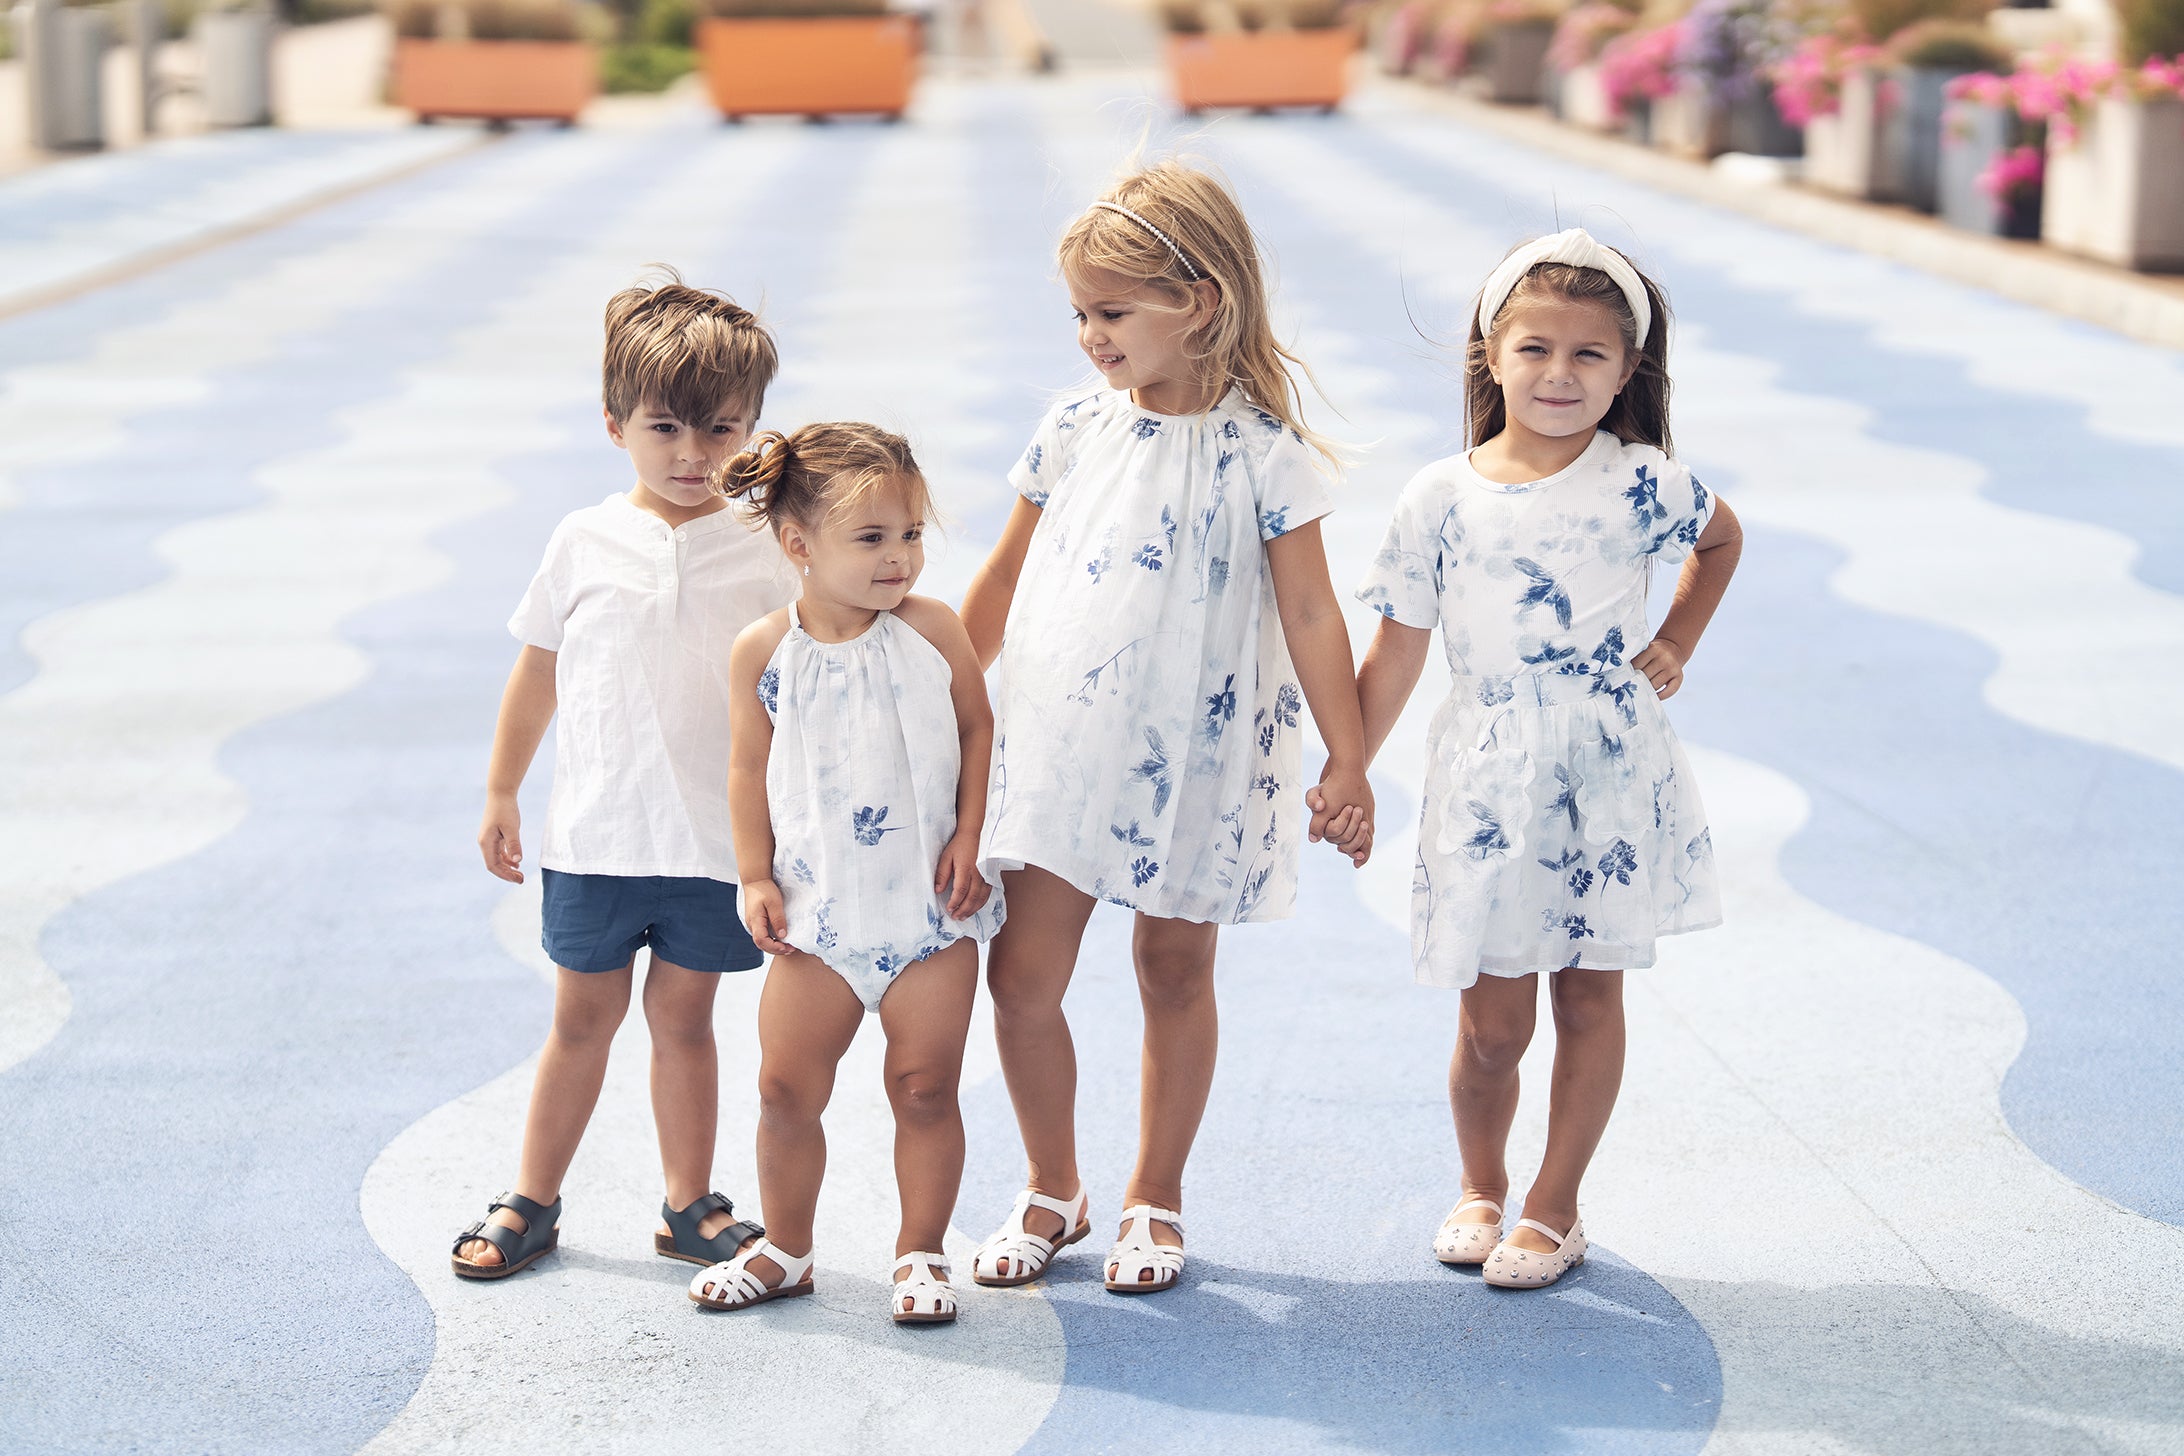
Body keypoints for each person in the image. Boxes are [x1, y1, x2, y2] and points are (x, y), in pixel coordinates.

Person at [960, 159, 1373, 1298]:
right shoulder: (1072, 429)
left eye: (1112, 312)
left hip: (1202, 753)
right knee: (1022, 974)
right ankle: (1053, 1184)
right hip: (1060, 742)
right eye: (1081, 313)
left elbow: (1310, 613)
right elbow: (998, 580)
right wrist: (939, 694)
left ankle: (1156, 1192)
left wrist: (1350, 757)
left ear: (1194, 302)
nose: (1090, 336)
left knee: (1174, 966)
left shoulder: (1266, 453)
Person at [1353, 230, 1743, 1289]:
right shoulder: (1439, 495)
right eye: (1536, 349)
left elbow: (1719, 540)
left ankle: (1553, 1204)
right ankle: (1479, 1184)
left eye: (1589, 356)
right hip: (1486, 778)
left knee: (1587, 1000)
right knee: (1490, 1022)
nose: (1560, 375)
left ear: (1628, 373)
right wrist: (1348, 768)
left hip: (1606, 773)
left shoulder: (1642, 480)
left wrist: (1675, 640)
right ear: (1492, 355)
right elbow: (1396, 647)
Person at [451, 272, 792, 1282]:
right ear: (614, 426)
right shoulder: (584, 540)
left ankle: (689, 1202)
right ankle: (534, 1197)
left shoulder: (772, 542)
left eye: (721, 430)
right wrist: (503, 788)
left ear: (754, 428)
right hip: (599, 837)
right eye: (665, 429)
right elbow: (539, 670)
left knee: (686, 1022)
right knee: (580, 1021)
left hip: (717, 847)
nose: (693, 456)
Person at [688, 424, 1003, 1325]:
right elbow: (748, 769)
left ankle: (920, 1253)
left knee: (925, 1087)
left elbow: (980, 728)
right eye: (871, 539)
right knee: (785, 1088)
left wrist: (971, 834)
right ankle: (786, 1248)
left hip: (929, 914)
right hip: (815, 918)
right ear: (799, 547)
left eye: (909, 534)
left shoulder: (933, 632)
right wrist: (754, 876)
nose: (899, 557)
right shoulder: (765, 651)